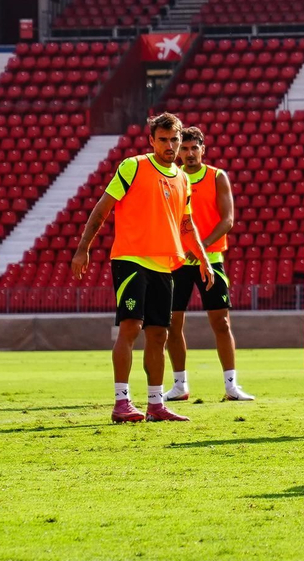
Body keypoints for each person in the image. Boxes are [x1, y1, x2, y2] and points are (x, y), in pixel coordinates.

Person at [72, 113, 211, 424]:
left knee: (159, 334)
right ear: (151, 140)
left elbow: (186, 225)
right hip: (131, 260)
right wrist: (83, 249)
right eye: (163, 140)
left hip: (165, 264)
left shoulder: (183, 178)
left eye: (174, 140)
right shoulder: (133, 166)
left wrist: (202, 257)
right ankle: (122, 402)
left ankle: (155, 404)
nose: (170, 146)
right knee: (131, 328)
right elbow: (102, 208)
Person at [164, 127, 252, 403]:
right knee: (172, 323)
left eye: (194, 148)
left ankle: (231, 385)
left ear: (203, 149)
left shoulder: (217, 177)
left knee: (222, 322)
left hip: (210, 260)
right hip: (178, 261)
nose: (189, 153)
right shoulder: (171, 177)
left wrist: (199, 248)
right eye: (184, 148)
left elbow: (227, 220)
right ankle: (179, 385)